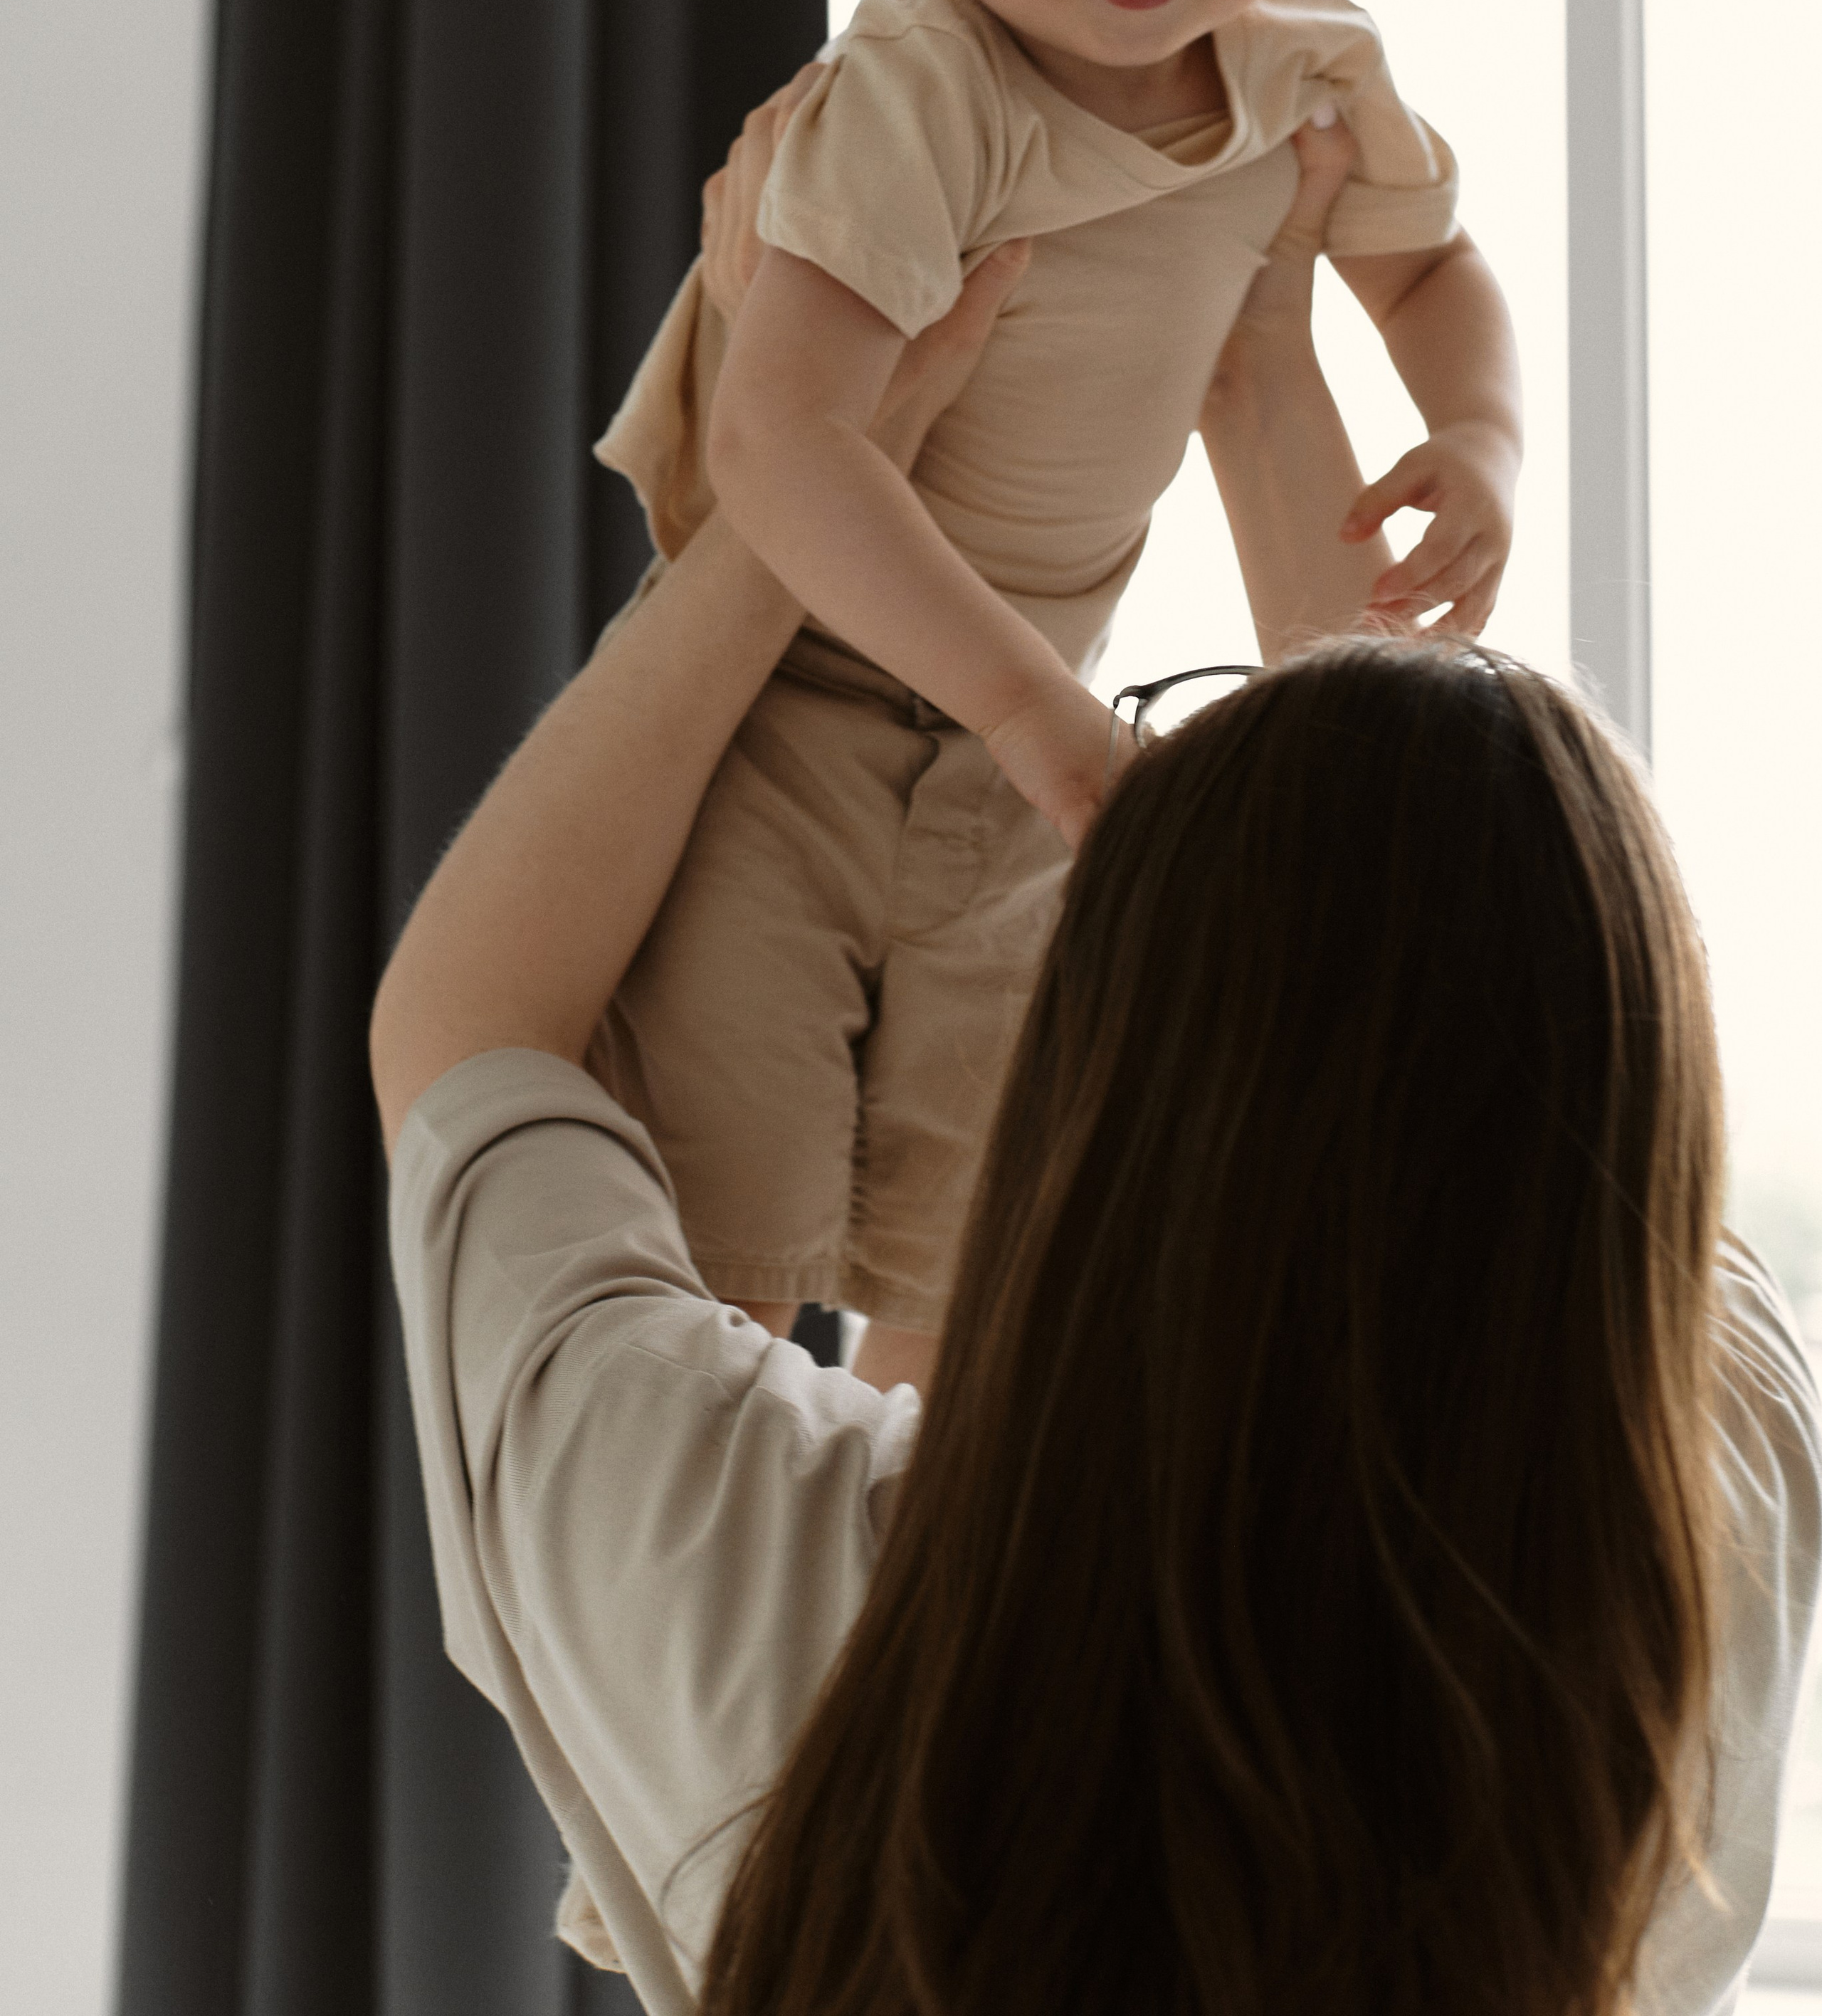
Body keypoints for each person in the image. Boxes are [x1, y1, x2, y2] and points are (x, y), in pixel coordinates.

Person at [372, 100, 1820, 2016]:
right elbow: (1469, 1010)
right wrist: (1255, 363)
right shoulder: (1704, 1566)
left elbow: (477, 1051)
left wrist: (782, 507)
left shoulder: (761, 1568)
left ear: (1107, 1063)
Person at [592, 0, 1525, 1391]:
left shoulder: (1304, 64)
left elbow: (1434, 269)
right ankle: (733, 1546)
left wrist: (1480, 438)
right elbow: (781, 445)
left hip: (1034, 731)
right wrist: (1033, 714)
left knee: (990, 1242)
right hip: (786, 720)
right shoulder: (919, 95)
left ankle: (943, 1561)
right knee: (729, 1248)